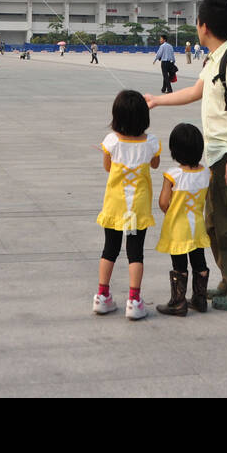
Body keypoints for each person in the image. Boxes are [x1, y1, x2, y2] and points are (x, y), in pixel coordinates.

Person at [146, 0, 227, 311]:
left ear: (204, 26)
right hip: (216, 158)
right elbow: (195, 92)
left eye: (197, 22)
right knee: (216, 224)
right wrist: (157, 100)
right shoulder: (216, 58)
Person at [93, 90, 160, 320]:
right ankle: (134, 299)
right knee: (135, 253)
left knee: (109, 249)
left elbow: (107, 167)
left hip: (115, 206)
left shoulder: (111, 141)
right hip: (136, 210)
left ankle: (102, 295)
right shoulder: (151, 142)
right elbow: (155, 164)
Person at [155, 123, 211, 316]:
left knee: (179, 265)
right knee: (199, 262)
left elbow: (163, 202)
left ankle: (178, 303)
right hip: (197, 228)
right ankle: (200, 299)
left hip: (178, 229)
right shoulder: (206, 172)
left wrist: (172, 213)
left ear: (174, 151)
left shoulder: (173, 175)